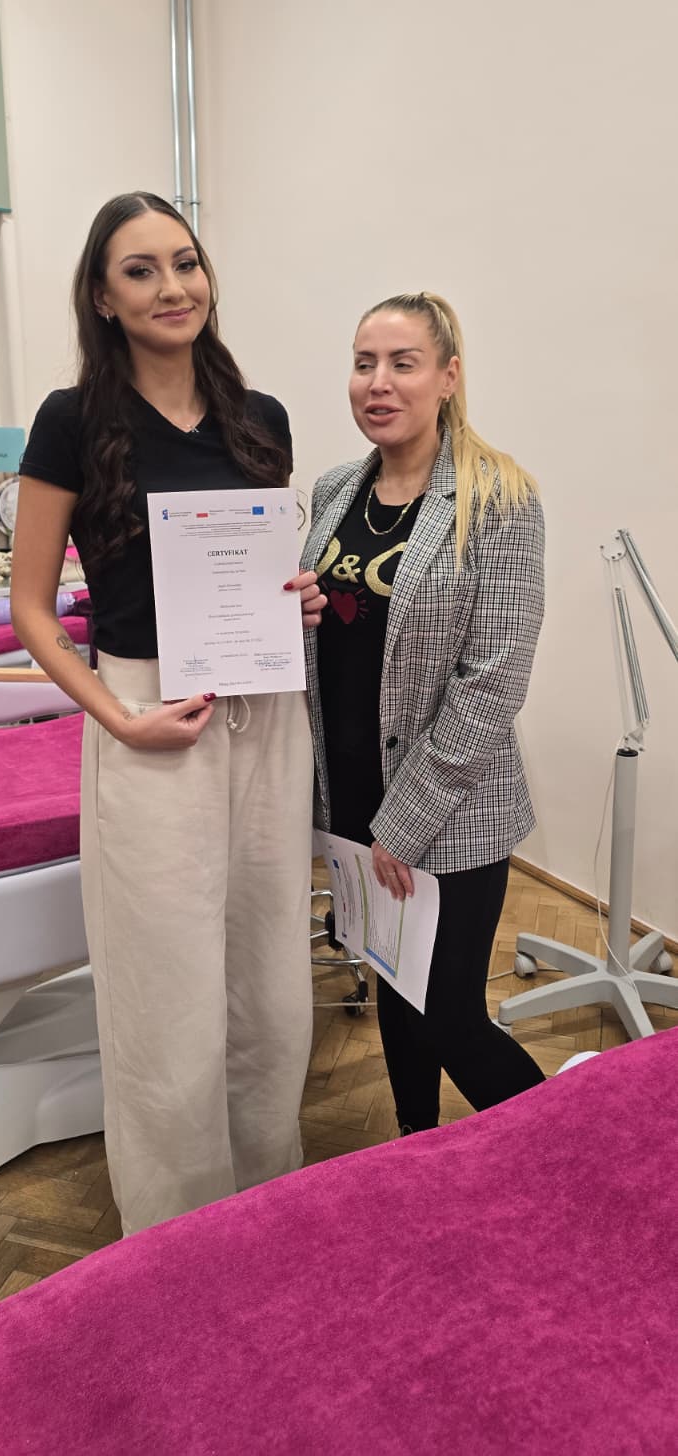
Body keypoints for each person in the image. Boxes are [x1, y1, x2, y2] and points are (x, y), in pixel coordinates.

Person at [12, 191, 320, 1234]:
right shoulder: (70, 421)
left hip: (265, 714)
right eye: (140, 270)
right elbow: (30, 605)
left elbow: (265, 568)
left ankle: (266, 1197)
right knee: (166, 985)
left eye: (184, 262)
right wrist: (116, 716)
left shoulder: (261, 417)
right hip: (146, 718)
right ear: (103, 297)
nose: (172, 286)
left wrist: (294, 598)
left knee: (270, 976)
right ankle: (177, 1230)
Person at [297, 291, 546, 1132]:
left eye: (402, 363)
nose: (378, 382)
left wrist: (401, 825)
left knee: (448, 1016)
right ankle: (414, 1151)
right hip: (350, 795)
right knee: (394, 991)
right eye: (363, 363)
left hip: (448, 811)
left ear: (447, 376)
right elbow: (337, 634)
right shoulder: (335, 490)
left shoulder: (497, 497)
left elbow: (493, 680)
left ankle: (568, 1152)